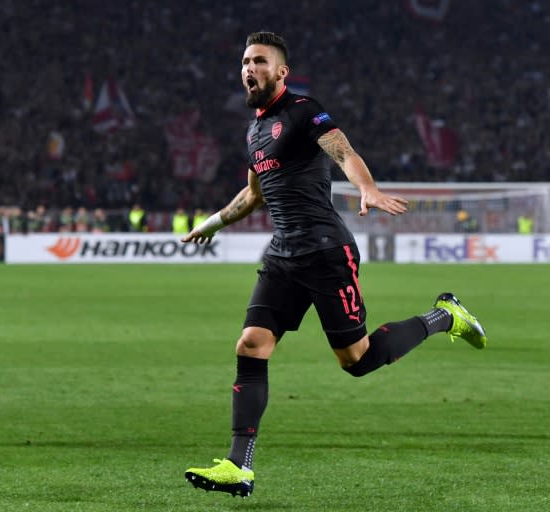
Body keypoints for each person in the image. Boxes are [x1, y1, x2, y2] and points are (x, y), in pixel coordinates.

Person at [181, 31, 488, 499]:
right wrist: (213, 223)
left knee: (357, 361)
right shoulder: (254, 131)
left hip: (325, 251)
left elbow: (343, 150)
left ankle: (445, 315)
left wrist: (366, 188)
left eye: (259, 61)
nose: (249, 68)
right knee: (251, 345)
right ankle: (238, 466)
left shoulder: (304, 111)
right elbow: (254, 194)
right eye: (245, 61)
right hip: (283, 255)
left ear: (281, 72)